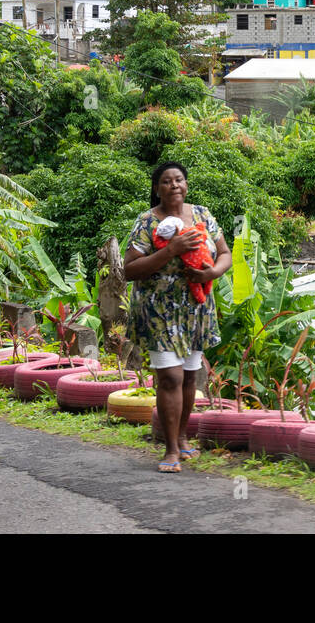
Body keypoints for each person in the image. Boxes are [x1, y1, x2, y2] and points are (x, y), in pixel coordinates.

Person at [123, 162, 231, 472]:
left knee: (189, 376)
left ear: (186, 185)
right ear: (157, 189)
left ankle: (183, 439)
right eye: (167, 182)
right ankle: (170, 450)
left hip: (196, 308)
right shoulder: (147, 221)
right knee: (169, 376)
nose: (175, 186)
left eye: (179, 180)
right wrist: (171, 250)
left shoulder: (202, 215)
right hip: (158, 309)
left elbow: (225, 253)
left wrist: (211, 272)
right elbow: (129, 270)